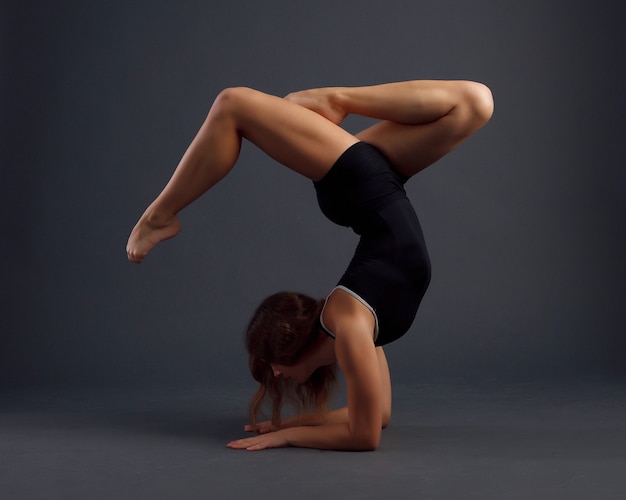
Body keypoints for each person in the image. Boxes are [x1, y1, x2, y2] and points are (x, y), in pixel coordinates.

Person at [126, 80, 494, 451]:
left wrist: (287, 436)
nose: (275, 373)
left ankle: (160, 215)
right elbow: (376, 417)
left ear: (291, 343)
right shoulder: (356, 330)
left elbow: (363, 437)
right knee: (476, 104)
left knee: (232, 104)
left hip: (360, 189)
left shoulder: (349, 323)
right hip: (378, 190)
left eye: (271, 362)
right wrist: (291, 423)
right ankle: (336, 100)